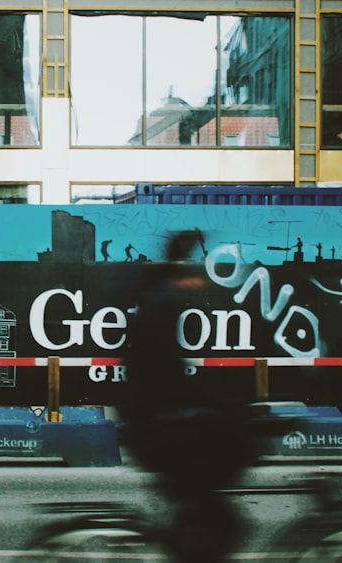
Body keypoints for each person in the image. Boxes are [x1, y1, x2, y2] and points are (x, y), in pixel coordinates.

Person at [120, 231, 255, 562]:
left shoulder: (156, 297)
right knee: (224, 522)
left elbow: (165, 371)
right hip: (159, 429)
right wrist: (222, 406)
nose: (202, 276)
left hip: (151, 422)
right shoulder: (162, 302)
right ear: (184, 267)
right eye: (198, 266)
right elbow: (165, 371)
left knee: (201, 514)